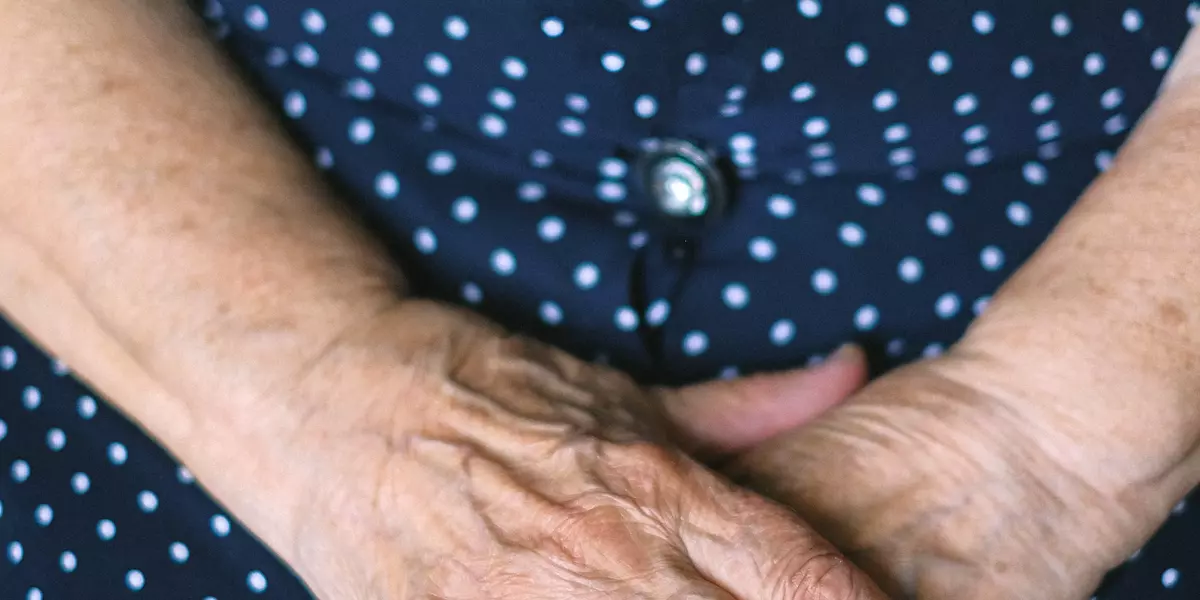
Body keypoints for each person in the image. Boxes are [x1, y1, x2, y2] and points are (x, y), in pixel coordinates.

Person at [2, 1, 1199, 598]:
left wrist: (1031, 455)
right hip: (163, 258)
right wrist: (310, 400)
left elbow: (1052, 446)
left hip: (1129, 329)